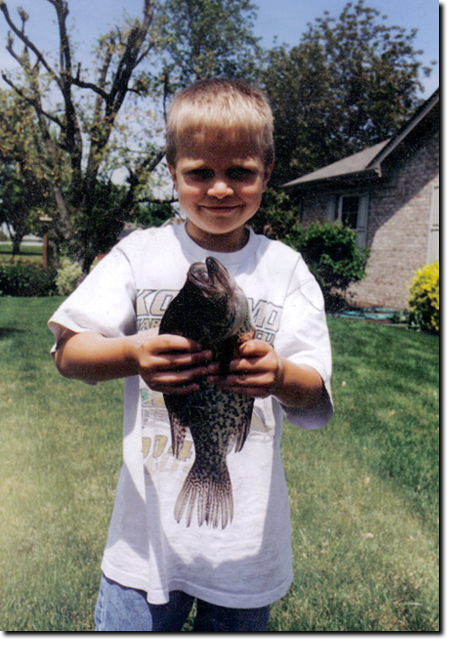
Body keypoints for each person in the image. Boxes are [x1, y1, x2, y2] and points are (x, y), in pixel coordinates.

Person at [48, 78, 333, 632]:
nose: (221, 189)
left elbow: (314, 395)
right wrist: (133, 354)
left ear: (266, 173)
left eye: (241, 172)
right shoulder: (139, 254)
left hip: (248, 553)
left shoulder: (287, 270)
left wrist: (277, 375)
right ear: (173, 171)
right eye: (200, 172)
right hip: (143, 546)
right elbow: (67, 350)